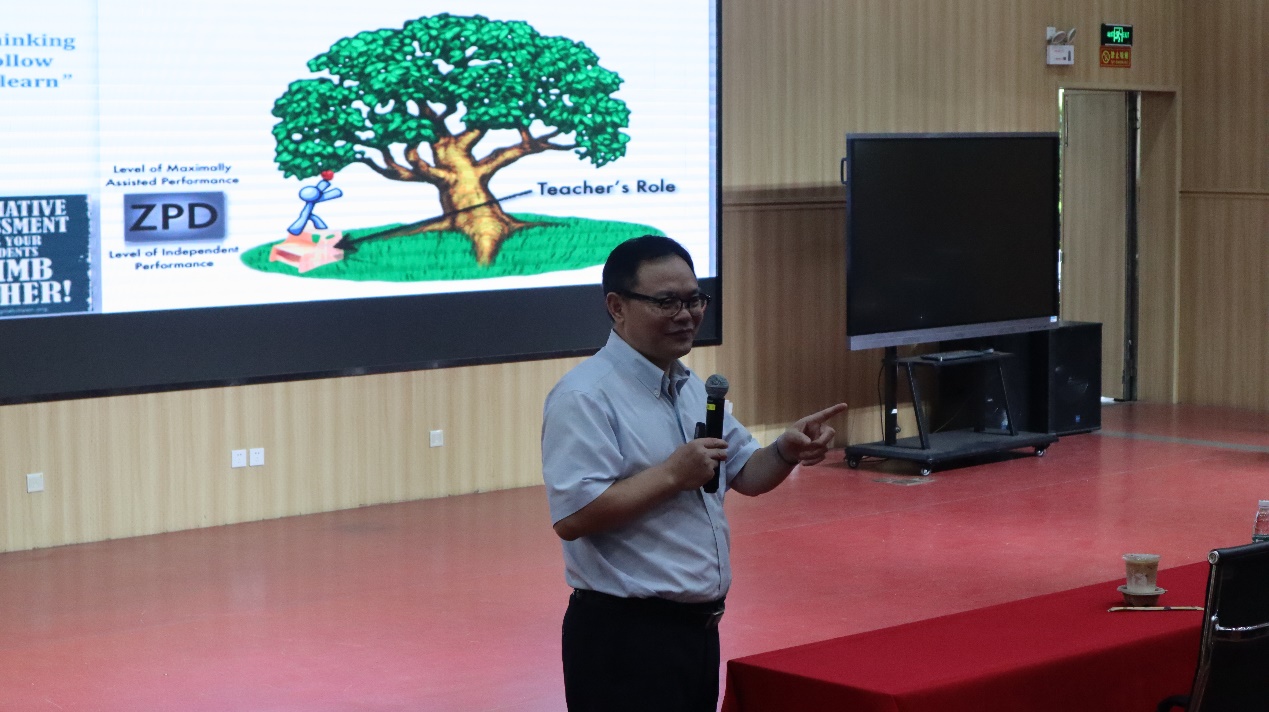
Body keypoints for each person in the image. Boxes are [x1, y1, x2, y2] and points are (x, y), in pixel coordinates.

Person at [541, 235, 848, 712]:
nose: (685, 314)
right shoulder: (584, 396)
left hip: (696, 633)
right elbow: (574, 517)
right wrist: (671, 475)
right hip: (624, 642)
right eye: (666, 302)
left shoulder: (692, 386)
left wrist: (785, 450)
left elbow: (746, 474)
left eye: (694, 299)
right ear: (617, 307)